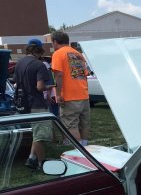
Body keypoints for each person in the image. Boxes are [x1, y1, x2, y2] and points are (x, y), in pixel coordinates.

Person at [14, 39, 53, 169]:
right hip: (37, 104)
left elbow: (15, 83)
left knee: (36, 133)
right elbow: (40, 87)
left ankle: (31, 158)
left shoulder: (19, 63)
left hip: (23, 104)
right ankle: (43, 164)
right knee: (40, 135)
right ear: (39, 50)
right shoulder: (39, 64)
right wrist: (51, 86)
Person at [51, 31, 90, 146]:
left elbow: (58, 75)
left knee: (71, 124)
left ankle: (80, 151)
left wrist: (58, 94)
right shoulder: (78, 54)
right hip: (83, 94)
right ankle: (85, 146)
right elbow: (84, 75)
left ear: (55, 41)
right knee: (84, 124)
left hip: (69, 96)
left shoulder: (58, 54)